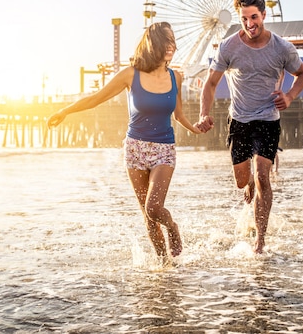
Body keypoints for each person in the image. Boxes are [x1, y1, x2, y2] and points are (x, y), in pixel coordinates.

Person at [47, 22, 201, 259]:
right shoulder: (131, 74)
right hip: (135, 149)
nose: (172, 46)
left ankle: (173, 227)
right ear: (154, 44)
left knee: (154, 207)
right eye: (166, 41)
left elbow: (178, 115)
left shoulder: (176, 77)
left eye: (173, 41)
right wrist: (65, 111)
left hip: (164, 150)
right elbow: (96, 98)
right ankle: (164, 266)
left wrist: (195, 128)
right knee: (147, 217)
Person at [195, 0, 303, 254]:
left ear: (264, 15)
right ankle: (248, 184)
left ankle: (260, 240)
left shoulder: (282, 48)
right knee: (242, 180)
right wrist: (204, 113)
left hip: (268, 119)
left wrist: (290, 96)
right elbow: (211, 84)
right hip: (239, 119)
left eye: (254, 17)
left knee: (263, 177)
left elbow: (302, 75)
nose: (249, 24)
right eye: (244, 18)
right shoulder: (229, 46)